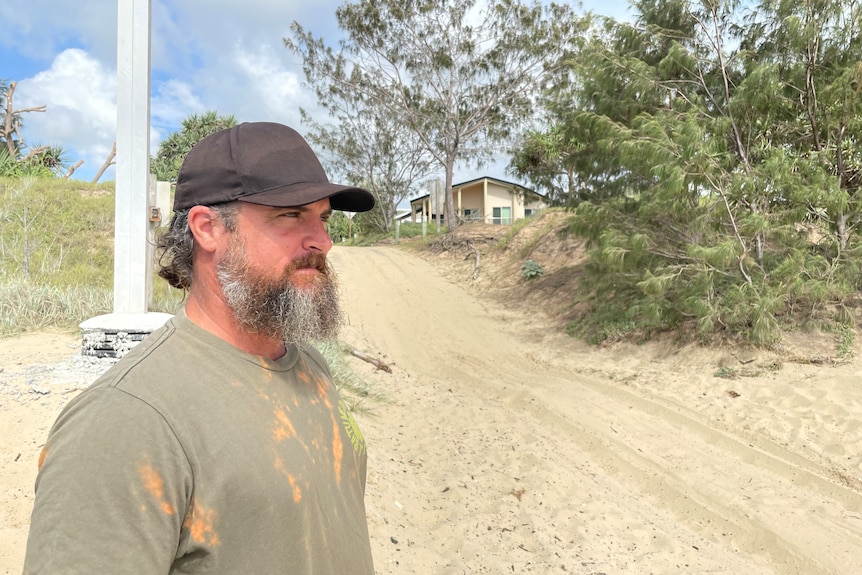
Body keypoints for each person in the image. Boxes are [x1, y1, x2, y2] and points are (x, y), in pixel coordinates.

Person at [23, 122, 376, 574]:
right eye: (290, 215)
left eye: (323, 217)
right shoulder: (127, 420)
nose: (323, 241)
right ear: (207, 228)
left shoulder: (309, 367)